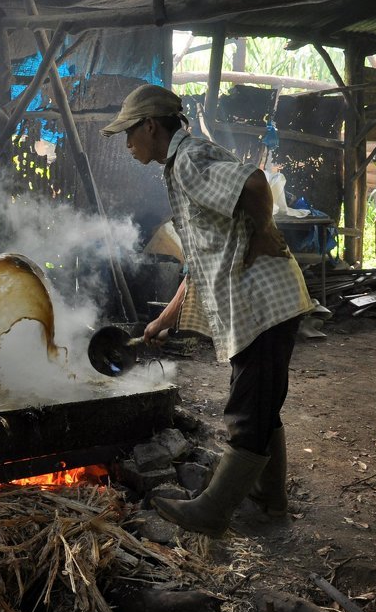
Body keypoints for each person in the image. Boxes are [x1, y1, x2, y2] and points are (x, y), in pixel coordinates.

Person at [102, 84, 314, 538]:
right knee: (261, 405)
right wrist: (164, 319)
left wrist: (261, 236)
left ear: (150, 126)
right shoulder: (183, 164)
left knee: (245, 412)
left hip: (261, 301)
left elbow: (256, 184)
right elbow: (200, 263)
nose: (127, 144)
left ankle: (214, 511)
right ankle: (269, 501)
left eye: (129, 133)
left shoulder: (189, 161)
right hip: (257, 304)